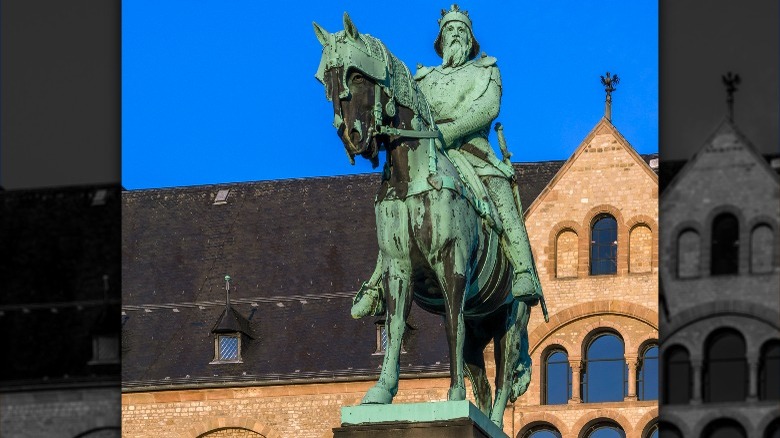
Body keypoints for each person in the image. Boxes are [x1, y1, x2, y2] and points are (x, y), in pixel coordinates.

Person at [351, 4, 544, 319]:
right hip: (430, 155)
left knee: (501, 196)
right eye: (449, 30)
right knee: (396, 206)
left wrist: (449, 132)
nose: (455, 35)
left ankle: (523, 271)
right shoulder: (424, 79)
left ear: (470, 39)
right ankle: (377, 286)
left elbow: (487, 109)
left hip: (473, 151)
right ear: (440, 40)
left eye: (461, 30)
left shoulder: (486, 69)